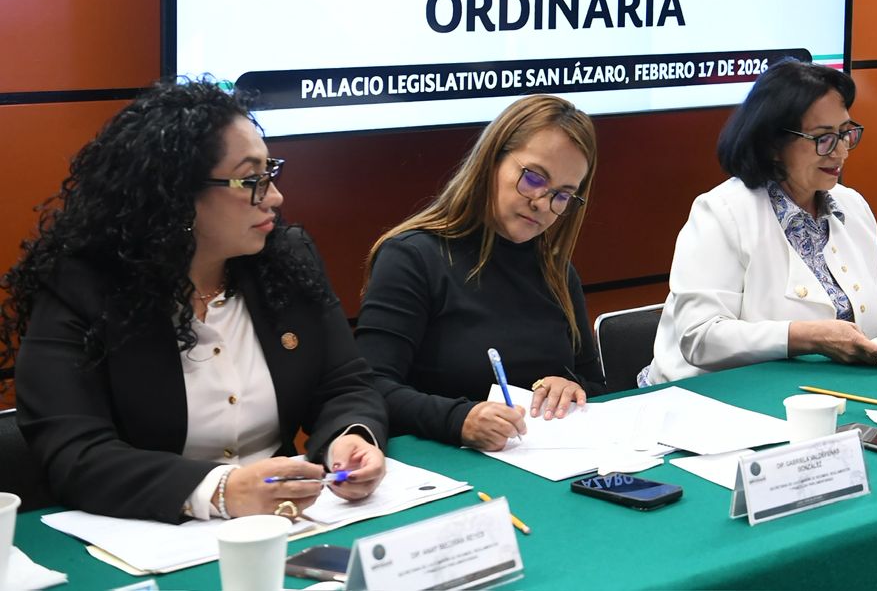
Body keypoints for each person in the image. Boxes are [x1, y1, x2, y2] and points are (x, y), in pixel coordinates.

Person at [0, 80, 387, 523]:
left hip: (287, 522)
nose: (274, 197)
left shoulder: (286, 260)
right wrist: (218, 490)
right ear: (176, 194)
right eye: (251, 180)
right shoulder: (82, 287)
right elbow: (76, 454)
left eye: (270, 174)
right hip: (148, 534)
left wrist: (349, 437)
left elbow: (345, 385)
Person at [644, 60, 877, 384]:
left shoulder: (851, 206)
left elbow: (846, 309)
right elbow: (700, 336)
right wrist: (808, 337)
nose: (841, 152)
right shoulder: (722, 212)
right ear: (773, 143)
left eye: (845, 134)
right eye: (823, 138)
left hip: (811, 390)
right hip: (707, 396)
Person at [357, 95, 602, 452]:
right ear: (492, 161)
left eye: (562, 196)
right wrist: (459, 420)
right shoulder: (412, 257)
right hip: (441, 461)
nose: (542, 204)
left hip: (541, 459)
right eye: (533, 178)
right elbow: (370, 387)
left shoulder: (557, 271)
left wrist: (573, 389)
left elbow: (596, 385)